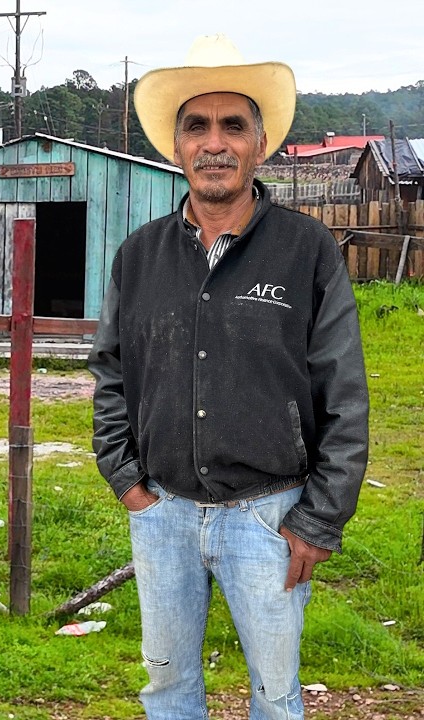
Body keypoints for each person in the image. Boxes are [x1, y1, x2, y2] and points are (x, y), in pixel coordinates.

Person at [88, 34, 370, 720]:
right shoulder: (139, 254)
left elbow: (344, 396)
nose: (214, 142)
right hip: (163, 513)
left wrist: (318, 522)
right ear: (177, 146)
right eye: (197, 126)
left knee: (275, 696)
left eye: (232, 125)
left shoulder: (307, 251)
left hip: (270, 519)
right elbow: (110, 375)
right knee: (167, 689)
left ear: (259, 142)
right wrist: (127, 480)